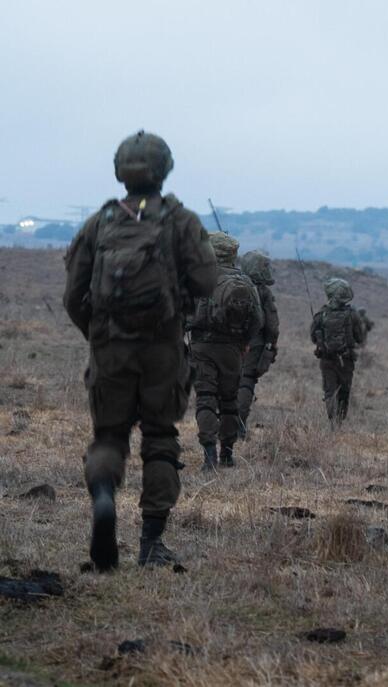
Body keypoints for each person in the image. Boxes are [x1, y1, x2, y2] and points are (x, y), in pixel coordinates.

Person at [63, 130, 216, 570]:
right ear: (164, 169)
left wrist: (98, 334)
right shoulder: (180, 220)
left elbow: (74, 295)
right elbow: (207, 281)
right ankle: (151, 543)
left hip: (110, 348)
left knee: (109, 437)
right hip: (162, 350)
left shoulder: (101, 222)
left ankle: (106, 496)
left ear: (120, 171)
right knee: (160, 439)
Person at [187, 233, 263, 470]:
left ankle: (209, 455)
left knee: (206, 399)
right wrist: (244, 342)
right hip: (233, 350)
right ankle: (227, 454)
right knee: (229, 401)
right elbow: (258, 320)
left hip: (202, 348)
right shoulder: (246, 282)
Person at [311, 278, 366, 424]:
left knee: (330, 391)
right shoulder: (352, 314)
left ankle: (332, 421)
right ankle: (339, 422)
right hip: (346, 360)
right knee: (344, 392)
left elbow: (313, 337)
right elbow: (360, 338)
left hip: (327, 360)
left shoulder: (321, 314)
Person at [237, 251, 279, 437]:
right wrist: (271, 344)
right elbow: (271, 324)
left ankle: (225, 423)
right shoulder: (262, 291)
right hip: (254, 343)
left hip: (231, 343)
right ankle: (239, 426)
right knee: (246, 382)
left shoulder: (233, 284)